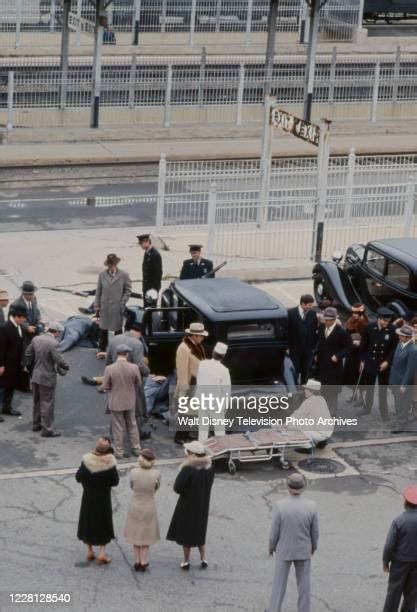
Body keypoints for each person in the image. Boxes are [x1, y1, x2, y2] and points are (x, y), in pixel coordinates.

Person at [268, 473, 319, 612]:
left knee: (279, 584)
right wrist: (313, 547)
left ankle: (273, 609)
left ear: (288, 487)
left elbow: (274, 531)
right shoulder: (311, 506)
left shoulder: (280, 506)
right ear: (304, 487)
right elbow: (315, 532)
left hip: (284, 550)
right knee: (304, 586)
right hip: (303, 550)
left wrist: (271, 547)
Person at [167, 440, 215, 570]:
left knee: (186, 534)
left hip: (187, 505)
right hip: (203, 504)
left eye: (187, 452)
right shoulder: (210, 467)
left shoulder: (188, 469)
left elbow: (177, 487)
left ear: (193, 454)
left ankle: (186, 561)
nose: (185, 454)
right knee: (200, 532)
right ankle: (203, 558)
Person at [76, 437, 119, 565]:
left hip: (88, 497)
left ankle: (89, 551)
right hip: (103, 498)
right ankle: (101, 553)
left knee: (88, 521)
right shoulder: (110, 462)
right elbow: (115, 481)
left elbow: (78, 477)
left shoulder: (87, 460)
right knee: (103, 523)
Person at [25, 322, 69, 437]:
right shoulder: (54, 343)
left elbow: (28, 353)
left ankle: (36, 424)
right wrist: (67, 366)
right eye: (60, 333)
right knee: (47, 403)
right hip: (47, 377)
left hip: (36, 375)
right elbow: (59, 360)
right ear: (57, 332)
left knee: (37, 401)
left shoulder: (36, 339)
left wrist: (33, 367)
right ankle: (47, 429)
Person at [124, 448, 161, 572]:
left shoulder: (134, 472)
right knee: (146, 535)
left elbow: (132, 486)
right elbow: (156, 488)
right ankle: (144, 560)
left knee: (135, 534)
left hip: (135, 505)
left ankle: (136, 560)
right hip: (149, 505)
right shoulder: (156, 473)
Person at [103, 344, 141, 459]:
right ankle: (136, 449)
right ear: (127, 354)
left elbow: (106, 386)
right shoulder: (134, 367)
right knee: (132, 425)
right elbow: (138, 383)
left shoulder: (109, 368)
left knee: (118, 427)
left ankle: (119, 452)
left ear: (117, 354)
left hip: (116, 402)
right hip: (130, 400)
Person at [382, 485, 417, 612]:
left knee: (393, 593)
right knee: (412, 595)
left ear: (406, 502)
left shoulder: (399, 521)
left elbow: (390, 545)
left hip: (399, 563)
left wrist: (386, 561)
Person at [360, 306, 397, 421]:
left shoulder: (392, 329)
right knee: (369, 387)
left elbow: (393, 348)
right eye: (384, 321)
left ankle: (384, 413)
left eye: (388, 321)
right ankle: (367, 408)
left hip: (384, 364)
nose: (386, 323)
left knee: (383, 390)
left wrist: (387, 361)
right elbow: (363, 346)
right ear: (379, 319)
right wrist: (362, 361)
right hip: (371, 361)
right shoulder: (369, 327)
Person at [173, 322, 208, 444]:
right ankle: (179, 436)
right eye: (200, 336)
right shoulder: (184, 348)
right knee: (185, 412)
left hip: (195, 383)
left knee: (191, 411)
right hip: (188, 384)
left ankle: (185, 434)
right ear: (193, 336)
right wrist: (184, 388)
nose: (202, 338)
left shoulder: (198, 346)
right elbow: (181, 370)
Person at [315, 306, 351, 417]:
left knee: (332, 392)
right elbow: (319, 344)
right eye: (325, 319)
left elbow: (348, 348)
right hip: (322, 366)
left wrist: (338, 356)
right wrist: (316, 354)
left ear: (334, 319)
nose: (325, 321)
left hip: (334, 368)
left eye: (328, 320)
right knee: (323, 390)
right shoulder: (321, 328)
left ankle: (331, 414)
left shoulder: (341, 332)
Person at [9, 281, 44, 391]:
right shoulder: (15, 304)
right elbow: (13, 320)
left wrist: (39, 319)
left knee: (35, 357)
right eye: (28, 294)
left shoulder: (34, 299)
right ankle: (22, 384)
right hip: (23, 336)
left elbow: (37, 311)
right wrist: (26, 327)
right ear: (23, 294)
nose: (31, 296)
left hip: (34, 333)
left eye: (32, 293)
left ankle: (34, 381)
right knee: (24, 359)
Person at [94, 253, 132, 353]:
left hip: (117, 307)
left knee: (118, 329)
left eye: (112, 265)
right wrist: (97, 305)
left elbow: (128, 290)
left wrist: (122, 302)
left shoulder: (124, 275)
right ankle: (102, 349)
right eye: (109, 266)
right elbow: (98, 291)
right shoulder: (102, 275)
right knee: (103, 329)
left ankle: (119, 350)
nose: (111, 267)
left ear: (116, 264)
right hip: (105, 307)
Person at [196, 341, 231, 442]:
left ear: (213, 352)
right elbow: (226, 391)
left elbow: (199, 382)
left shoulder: (202, 364)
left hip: (202, 400)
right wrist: (225, 407)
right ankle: (221, 452)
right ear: (223, 356)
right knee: (219, 430)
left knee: (202, 430)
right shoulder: (224, 370)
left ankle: (201, 450)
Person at [290, 379, 334, 453]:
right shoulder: (322, 399)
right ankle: (321, 442)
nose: (304, 391)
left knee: (292, 426)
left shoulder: (309, 401)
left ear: (312, 391)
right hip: (328, 431)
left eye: (306, 389)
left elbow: (296, 415)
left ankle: (307, 447)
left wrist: (284, 424)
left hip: (319, 433)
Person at [0, 303, 27, 419]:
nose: (24, 320)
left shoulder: (18, 326)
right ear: (17, 316)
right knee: (1, 388)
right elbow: (1, 348)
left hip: (15, 363)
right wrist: (0, 365)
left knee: (11, 386)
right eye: (23, 317)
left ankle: (6, 408)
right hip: (6, 364)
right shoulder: (5, 328)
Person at [388, 325, 417, 433]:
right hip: (395, 379)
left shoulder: (413, 350)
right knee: (397, 403)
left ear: (407, 337)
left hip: (403, 382)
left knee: (403, 404)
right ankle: (399, 421)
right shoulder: (400, 344)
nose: (399, 337)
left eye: (402, 336)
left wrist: (404, 385)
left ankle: (401, 424)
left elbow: (410, 370)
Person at [287, 295, 318, 385]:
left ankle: (304, 390)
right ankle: (295, 389)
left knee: (306, 372)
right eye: (309, 305)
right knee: (294, 371)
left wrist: (313, 348)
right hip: (294, 349)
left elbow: (314, 330)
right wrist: (287, 347)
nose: (311, 307)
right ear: (303, 304)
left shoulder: (312, 314)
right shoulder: (291, 313)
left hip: (307, 350)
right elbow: (287, 331)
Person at [343, 303, 368, 405]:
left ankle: (361, 398)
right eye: (353, 312)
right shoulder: (350, 321)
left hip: (360, 353)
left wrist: (360, 342)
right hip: (351, 352)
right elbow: (347, 333)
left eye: (356, 313)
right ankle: (354, 395)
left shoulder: (365, 323)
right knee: (351, 374)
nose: (354, 314)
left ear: (361, 313)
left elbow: (367, 340)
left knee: (360, 376)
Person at [137, 234, 163, 300]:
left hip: (152, 287)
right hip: (147, 285)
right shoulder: (147, 253)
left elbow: (158, 273)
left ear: (147, 242)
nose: (141, 246)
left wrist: (153, 288)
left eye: (141, 243)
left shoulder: (155, 254)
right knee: (146, 306)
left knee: (151, 307)